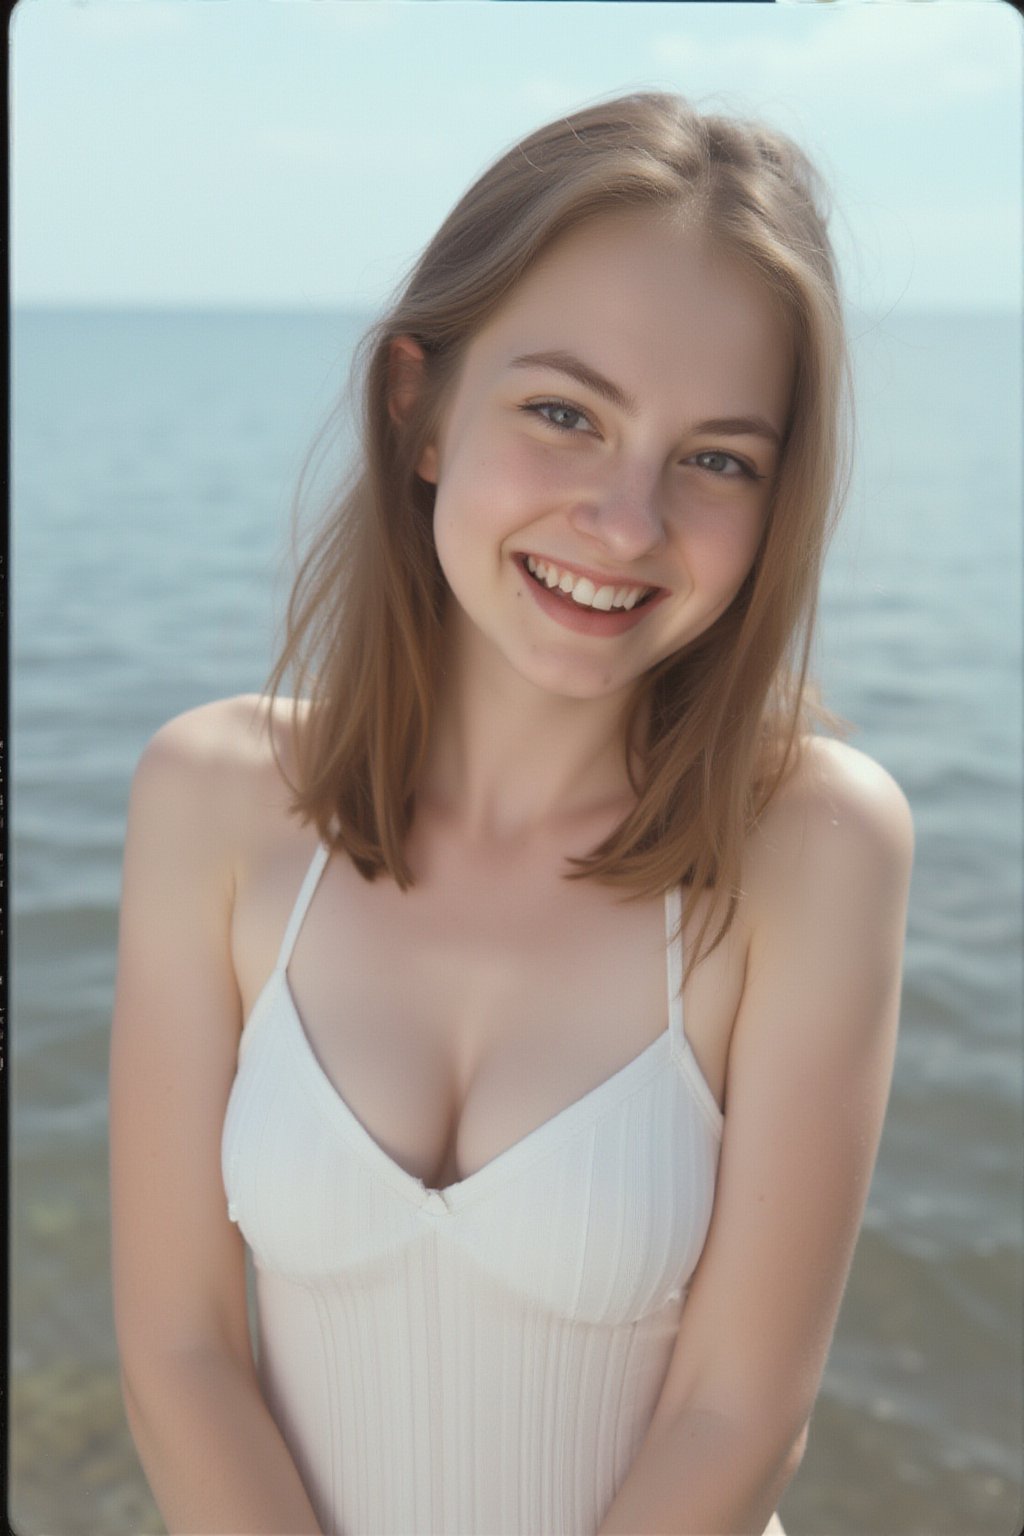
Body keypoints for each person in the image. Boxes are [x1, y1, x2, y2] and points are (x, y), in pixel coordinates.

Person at [109, 91, 914, 1536]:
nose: (626, 521)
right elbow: (180, 1357)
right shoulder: (209, 800)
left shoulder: (814, 847)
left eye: (717, 457)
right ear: (419, 409)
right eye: (564, 414)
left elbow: (740, 1418)